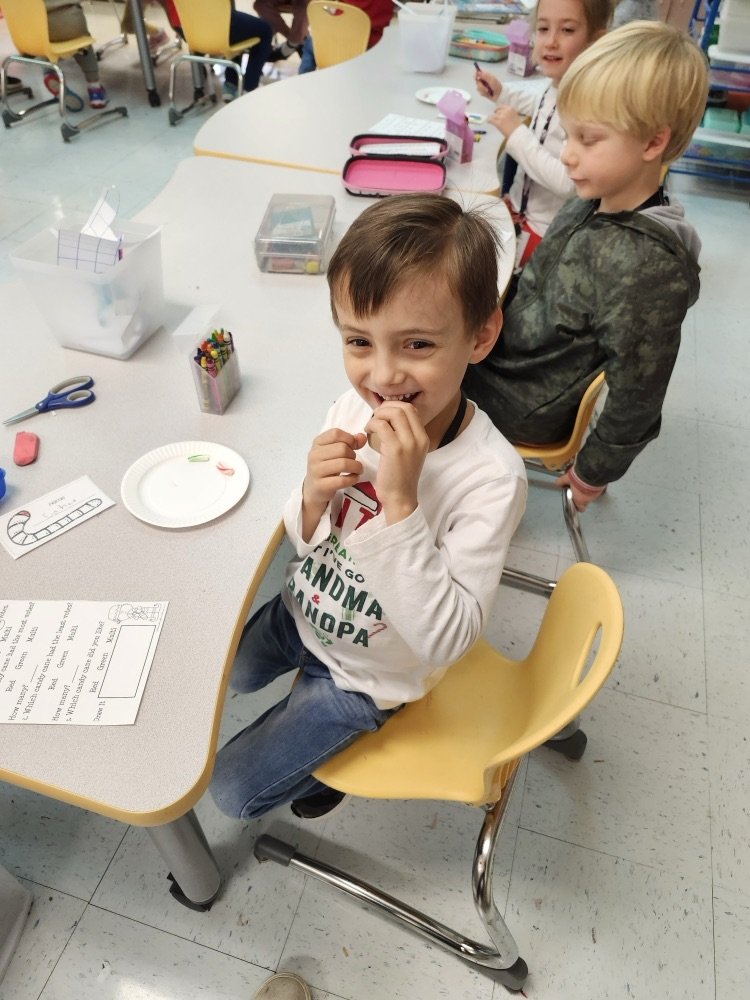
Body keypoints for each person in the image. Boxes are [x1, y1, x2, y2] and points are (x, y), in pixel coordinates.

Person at [211, 195, 527, 822]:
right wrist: (311, 495)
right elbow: (305, 542)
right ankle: (308, 731)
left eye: (416, 344)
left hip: (371, 677)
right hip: (304, 611)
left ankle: (331, 759)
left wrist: (402, 505)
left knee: (232, 795)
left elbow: (447, 641)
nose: (382, 375)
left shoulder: (491, 478)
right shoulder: (351, 408)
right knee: (232, 677)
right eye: (359, 340)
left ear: (480, 335)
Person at [464, 20, 709, 513]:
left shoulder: (646, 270)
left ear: (652, 143)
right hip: (511, 356)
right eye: (568, 134)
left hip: (521, 401)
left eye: (588, 139)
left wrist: (594, 471)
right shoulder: (597, 197)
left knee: (396, 375)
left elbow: (638, 397)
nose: (569, 155)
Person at [474, 0, 612, 270]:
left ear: (596, 42)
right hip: (518, 216)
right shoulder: (558, 84)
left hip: (544, 235)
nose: (551, 41)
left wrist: (516, 134)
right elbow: (538, 100)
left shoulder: (587, 106)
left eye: (568, 30)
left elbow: (567, 183)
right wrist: (501, 91)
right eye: (543, 28)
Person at [43, 1, 110, 108]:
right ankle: (95, 90)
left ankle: (49, 73)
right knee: (82, 44)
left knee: (44, 47)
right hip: (69, 21)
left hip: (37, 28)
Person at [298, 0, 393, 74]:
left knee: (310, 43)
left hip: (338, 46)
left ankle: (301, 81)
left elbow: (340, 12)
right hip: (370, 50)